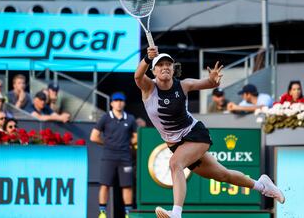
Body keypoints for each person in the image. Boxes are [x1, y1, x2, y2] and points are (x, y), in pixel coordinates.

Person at [134, 47, 285, 218]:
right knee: (223, 175)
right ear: (153, 71)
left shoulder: (183, 85)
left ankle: (176, 213)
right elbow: (137, 76)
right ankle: (263, 186)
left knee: (175, 164)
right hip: (176, 144)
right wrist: (147, 58)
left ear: (173, 68)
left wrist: (213, 80)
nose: (165, 67)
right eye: (160, 65)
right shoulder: (148, 88)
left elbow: (210, 84)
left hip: (195, 135)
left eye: (168, 64)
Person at [90, 92, 138, 218]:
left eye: (121, 101)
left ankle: (128, 213)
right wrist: (107, 144)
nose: (119, 103)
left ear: (124, 103)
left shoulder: (130, 118)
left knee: (127, 186)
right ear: (111, 103)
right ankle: (102, 212)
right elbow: (94, 136)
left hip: (125, 157)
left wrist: (127, 143)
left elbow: (136, 137)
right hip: (109, 156)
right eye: (116, 100)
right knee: (105, 185)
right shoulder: (105, 118)